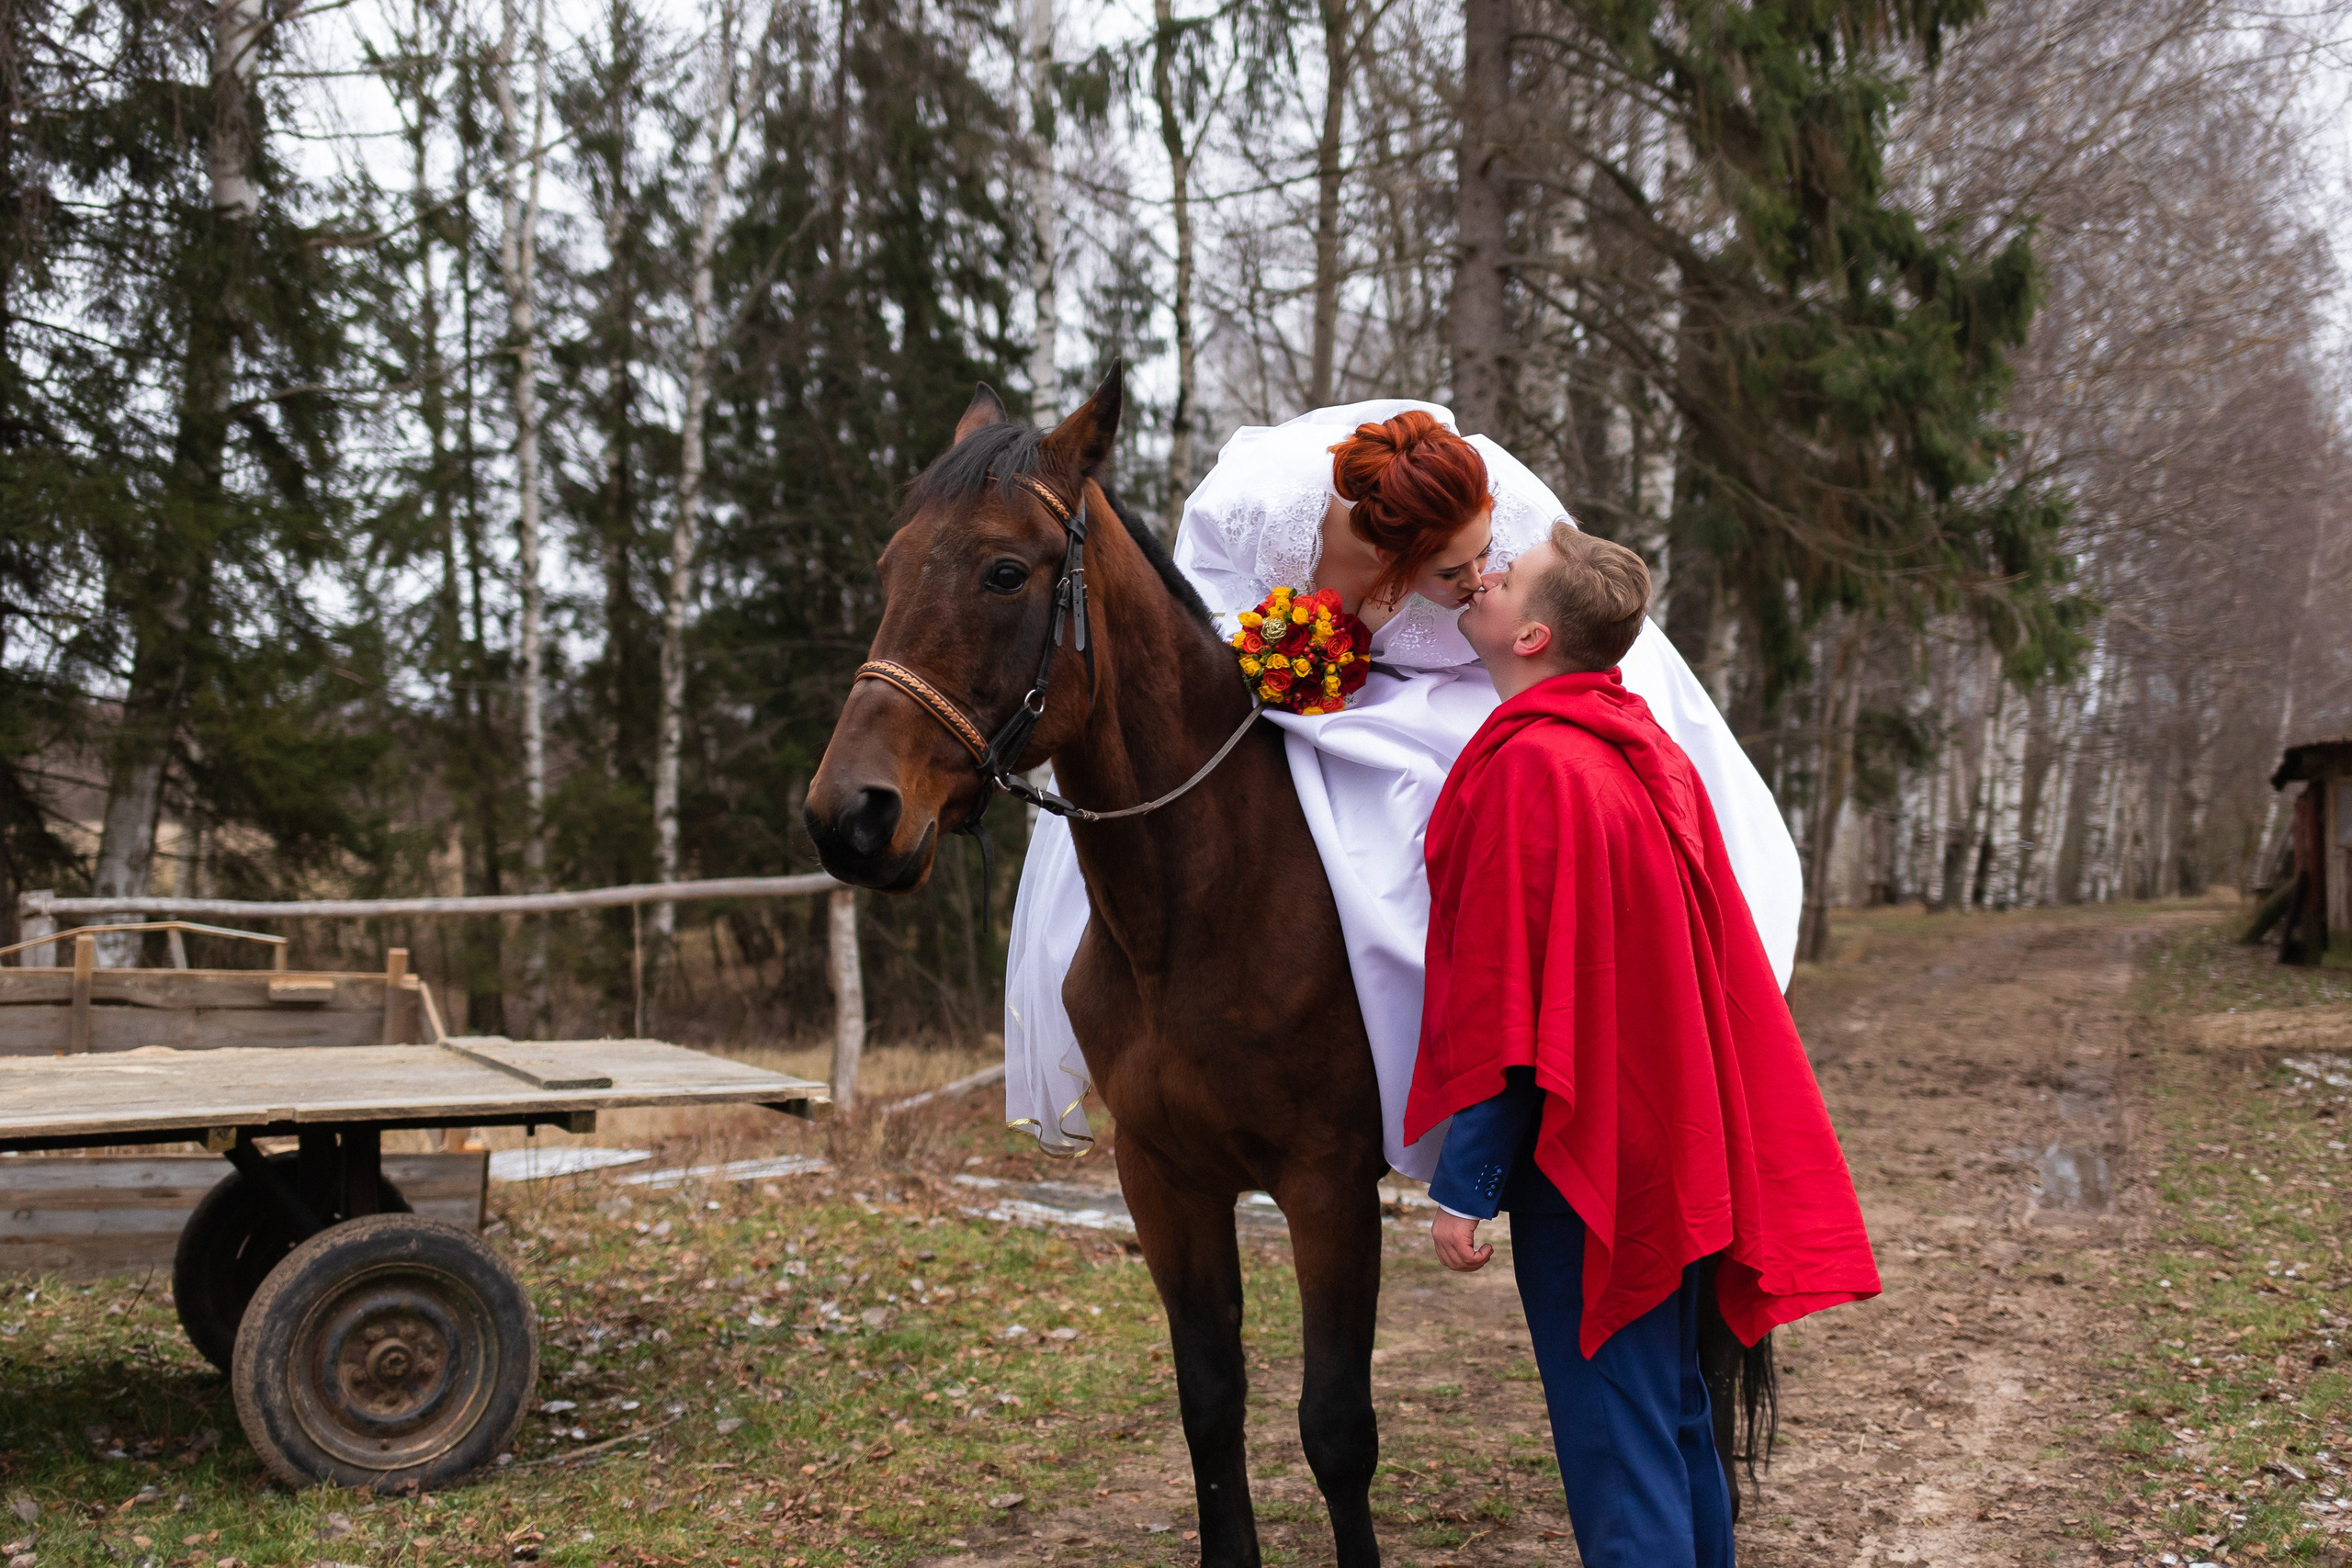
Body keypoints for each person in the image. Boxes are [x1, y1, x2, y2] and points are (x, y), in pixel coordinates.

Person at [1002, 400, 1804, 1168]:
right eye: (1453, 569)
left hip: (1459, 677)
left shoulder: (1506, 532)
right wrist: (1279, 653)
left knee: (1435, 795)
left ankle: (1464, 1053)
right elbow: (1200, 604)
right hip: (1279, 685)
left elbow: (1551, 635)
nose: (1479, 575)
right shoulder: (1269, 502)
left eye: (1484, 557)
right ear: (1393, 556)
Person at [1408, 526, 1881, 1566]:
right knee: (1668, 1416)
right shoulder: (1633, 746)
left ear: (1531, 634)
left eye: (1505, 576)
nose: (1482, 578)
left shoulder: (1535, 768)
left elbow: (1514, 1004)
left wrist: (1464, 1181)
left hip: (1594, 1168)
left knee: (1617, 1444)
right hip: (1673, 1140)